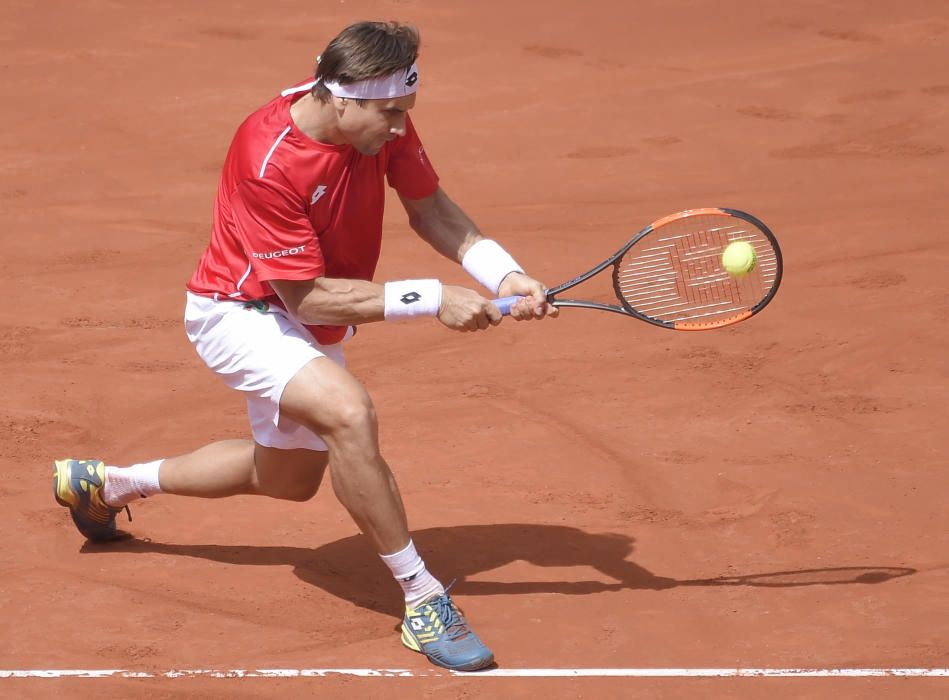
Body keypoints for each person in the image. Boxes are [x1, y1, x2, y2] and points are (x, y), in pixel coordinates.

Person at [52, 20, 557, 672]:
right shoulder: (268, 156)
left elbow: (429, 208)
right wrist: (435, 297)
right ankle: (422, 596)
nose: (401, 127)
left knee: (285, 478)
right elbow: (307, 298)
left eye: (405, 111)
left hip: (301, 316)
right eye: (389, 113)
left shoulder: (376, 122)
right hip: (239, 311)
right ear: (342, 98)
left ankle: (108, 484)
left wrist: (502, 273)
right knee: (349, 412)